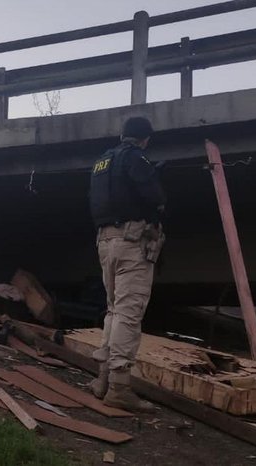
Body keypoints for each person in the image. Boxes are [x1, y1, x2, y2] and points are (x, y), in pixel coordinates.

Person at [88, 116, 166, 412]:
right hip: (132, 243)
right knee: (129, 313)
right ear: (145, 139)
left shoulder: (101, 162)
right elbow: (156, 197)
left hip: (105, 242)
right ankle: (119, 387)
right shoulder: (137, 159)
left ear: (123, 134)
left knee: (113, 310)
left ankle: (103, 380)